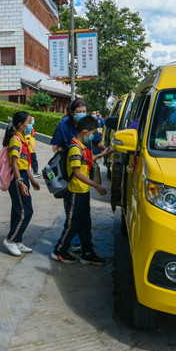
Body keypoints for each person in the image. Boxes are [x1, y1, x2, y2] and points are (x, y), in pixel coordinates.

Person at [50, 99, 109, 252]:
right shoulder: (72, 141)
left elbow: (95, 145)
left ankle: (86, 249)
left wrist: (104, 151)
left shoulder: (84, 139)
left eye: (84, 111)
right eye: (79, 111)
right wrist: (96, 185)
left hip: (83, 184)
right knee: (73, 220)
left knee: (84, 220)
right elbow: (75, 171)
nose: (82, 114)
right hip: (74, 185)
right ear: (71, 112)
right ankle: (63, 249)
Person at [3, 111, 40, 256]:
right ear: (20, 124)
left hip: (23, 175)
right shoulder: (15, 140)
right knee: (26, 211)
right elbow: (15, 163)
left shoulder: (24, 139)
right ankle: (10, 240)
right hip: (17, 177)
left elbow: (25, 164)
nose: (30, 125)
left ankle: (17, 240)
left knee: (18, 210)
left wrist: (31, 180)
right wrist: (20, 182)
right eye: (28, 122)